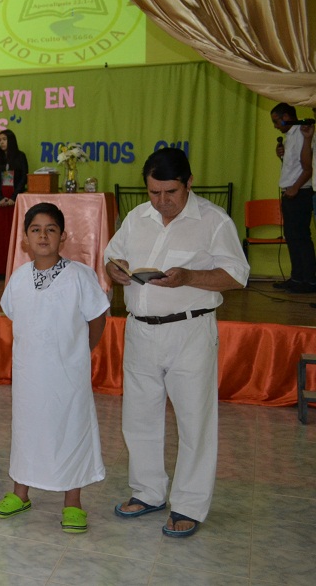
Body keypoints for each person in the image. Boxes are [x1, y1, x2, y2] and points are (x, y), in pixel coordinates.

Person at [105, 147, 249, 538]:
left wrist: (190, 277)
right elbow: (112, 256)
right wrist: (115, 270)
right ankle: (148, 492)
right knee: (139, 417)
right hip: (140, 330)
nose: (162, 201)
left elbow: (237, 275)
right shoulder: (137, 217)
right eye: (154, 192)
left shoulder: (213, 221)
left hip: (190, 331)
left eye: (170, 192)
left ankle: (188, 504)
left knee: (194, 421)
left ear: (189, 183)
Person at [0, 203, 109, 532]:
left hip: (68, 374)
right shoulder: (18, 278)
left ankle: (73, 502)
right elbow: (16, 316)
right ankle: (20, 493)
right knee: (27, 430)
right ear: (25, 239)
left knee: (70, 430)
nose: (43, 235)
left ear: (63, 237)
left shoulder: (79, 276)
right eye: (35, 230)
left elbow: (97, 317)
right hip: (29, 374)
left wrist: (80, 351)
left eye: (51, 229)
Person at [271, 103, 315, 293]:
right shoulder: (290, 136)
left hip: (300, 192)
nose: (275, 126)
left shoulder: (302, 134)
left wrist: (295, 188)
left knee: (301, 237)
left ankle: (310, 281)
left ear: (286, 117)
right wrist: (280, 154)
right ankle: (297, 278)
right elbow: (293, 166)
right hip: (290, 191)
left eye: (276, 121)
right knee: (292, 237)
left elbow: (308, 168)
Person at [0, 130, 29, 277]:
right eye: (0, 140)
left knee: (13, 231)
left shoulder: (20, 156)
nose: (2, 142)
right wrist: (0, 197)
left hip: (15, 197)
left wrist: (14, 197)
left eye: (4, 139)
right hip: (0, 199)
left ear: (11, 140)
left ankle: (15, 267)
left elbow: (23, 178)